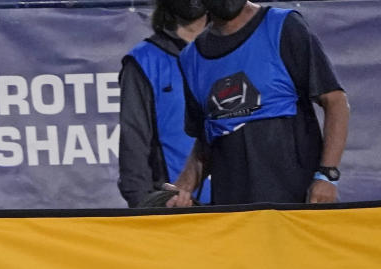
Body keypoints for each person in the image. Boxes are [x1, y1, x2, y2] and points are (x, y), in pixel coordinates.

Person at [167, 0, 349, 207]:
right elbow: (206, 138)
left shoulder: (282, 26)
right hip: (233, 210)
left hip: (297, 202)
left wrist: (327, 175)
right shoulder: (192, 58)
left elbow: (335, 101)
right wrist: (183, 187)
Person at [118, 0, 211, 207]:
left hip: (239, 205)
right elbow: (133, 141)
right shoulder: (144, 60)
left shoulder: (233, 52)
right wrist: (146, 205)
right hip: (175, 207)